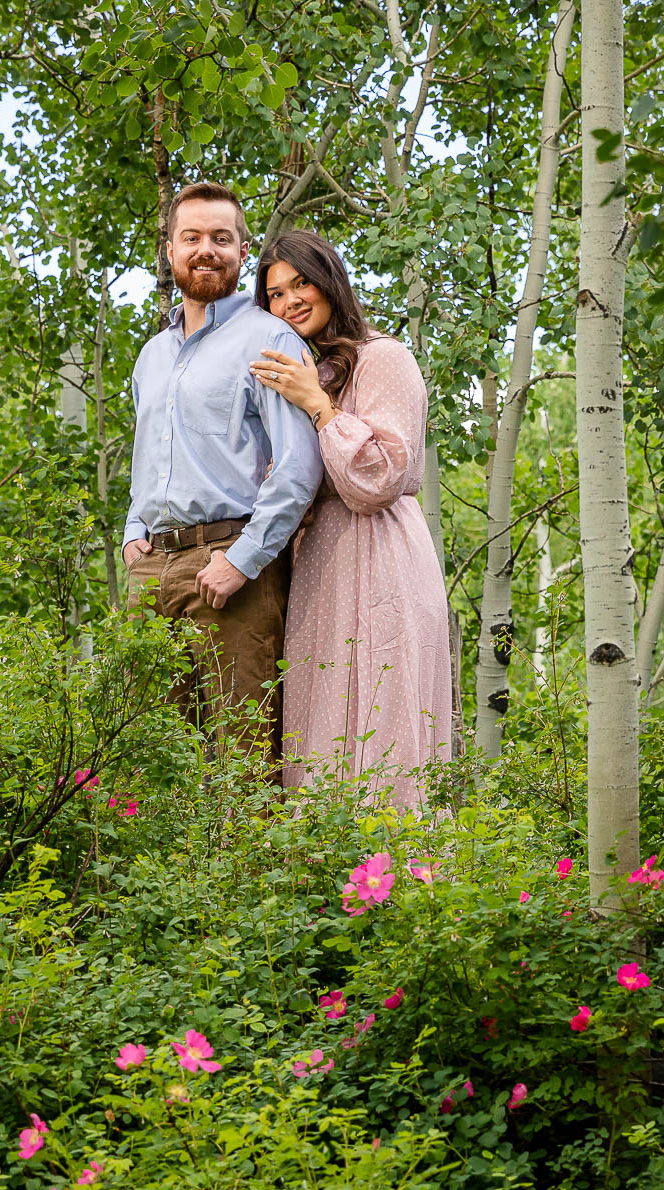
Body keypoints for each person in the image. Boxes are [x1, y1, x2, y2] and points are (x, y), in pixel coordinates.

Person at [248, 230, 452, 808]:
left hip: (382, 553)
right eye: (275, 294)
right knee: (320, 712)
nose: (290, 301)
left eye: (301, 283)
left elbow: (381, 476)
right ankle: (323, 877)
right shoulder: (300, 370)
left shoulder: (382, 356)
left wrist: (319, 406)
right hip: (319, 564)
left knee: (382, 710)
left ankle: (402, 879)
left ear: (330, 281)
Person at [122, 183, 324, 761]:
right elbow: (148, 455)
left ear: (242, 252)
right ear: (169, 250)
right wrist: (134, 531)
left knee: (246, 758)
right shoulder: (151, 356)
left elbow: (298, 464)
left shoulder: (269, 337)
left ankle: (254, 858)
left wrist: (243, 560)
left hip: (230, 566)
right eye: (192, 237)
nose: (205, 249)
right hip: (150, 572)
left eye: (221, 238)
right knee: (146, 758)